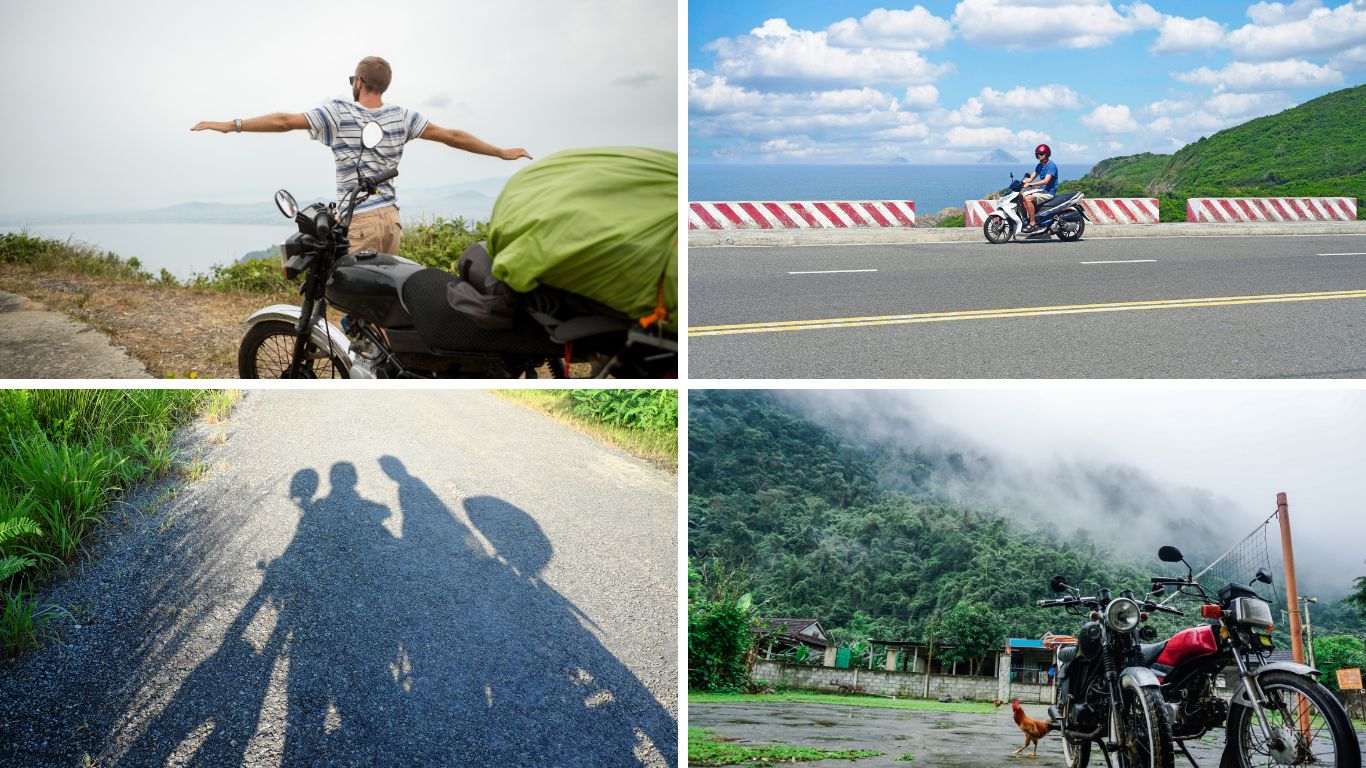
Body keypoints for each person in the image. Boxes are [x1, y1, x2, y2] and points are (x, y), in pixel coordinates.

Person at [191, 56, 531, 254]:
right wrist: (500, 152)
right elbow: (452, 136)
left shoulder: (339, 112)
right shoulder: (403, 116)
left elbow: (283, 122)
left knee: (353, 303)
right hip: (392, 221)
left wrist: (230, 124)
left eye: (354, 78)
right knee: (381, 305)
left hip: (360, 223)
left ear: (361, 82)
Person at [1019, 144, 1058, 233]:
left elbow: (1046, 181)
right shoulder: (1040, 165)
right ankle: (1025, 219)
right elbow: (1031, 178)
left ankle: (1033, 223)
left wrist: (1031, 184)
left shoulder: (1052, 166)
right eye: (1037, 154)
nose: (1038, 156)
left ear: (1046, 154)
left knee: (1028, 199)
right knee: (1020, 196)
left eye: (1040, 154)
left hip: (1049, 192)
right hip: (1041, 190)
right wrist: (1021, 182)